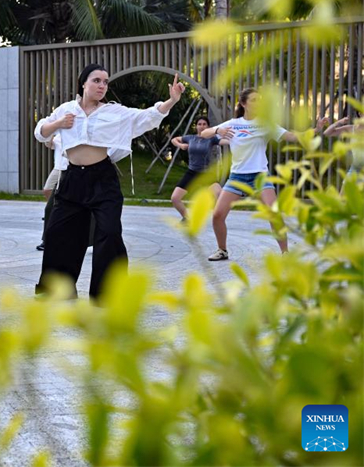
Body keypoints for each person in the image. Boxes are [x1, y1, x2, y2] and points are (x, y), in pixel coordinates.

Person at [33, 64, 185, 300]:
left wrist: (171, 101)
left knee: (110, 232)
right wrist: (58, 124)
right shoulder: (66, 109)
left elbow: (146, 117)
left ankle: (109, 294)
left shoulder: (115, 112)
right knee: (58, 233)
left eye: (105, 82)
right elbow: (40, 131)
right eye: (96, 80)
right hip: (72, 177)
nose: (102, 85)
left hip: (102, 179)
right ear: (83, 83)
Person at [201, 88, 326, 261]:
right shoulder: (233, 123)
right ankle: (222, 250)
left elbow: (292, 136)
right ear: (243, 103)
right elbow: (203, 133)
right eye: (253, 100)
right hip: (237, 177)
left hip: (260, 176)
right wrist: (217, 131)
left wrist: (316, 129)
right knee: (217, 215)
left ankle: (285, 253)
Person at [169, 116, 229, 221]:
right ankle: (187, 218)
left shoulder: (212, 139)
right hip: (191, 172)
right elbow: (174, 139)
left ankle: (219, 218)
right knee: (175, 198)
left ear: (208, 126)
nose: (201, 126)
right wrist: (180, 145)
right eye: (199, 124)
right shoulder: (190, 138)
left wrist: (239, 139)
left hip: (206, 173)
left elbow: (225, 141)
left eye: (204, 124)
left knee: (220, 195)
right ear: (196, 126)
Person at [37, 134, 67, 251]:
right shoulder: (58, 131)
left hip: (71, 166)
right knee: (47, 189)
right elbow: (49, 145)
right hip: (58, 167)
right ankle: (57, 208)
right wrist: (51, 134)